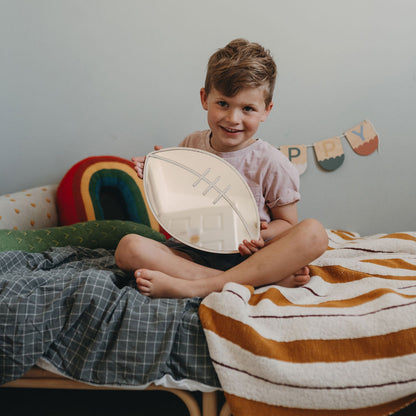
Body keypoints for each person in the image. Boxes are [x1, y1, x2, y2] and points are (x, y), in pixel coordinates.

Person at [115, 38, 328, 298]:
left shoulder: (272, 162)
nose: (232, 118)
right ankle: (247, 283)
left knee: (314, 233)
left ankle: (195, 286)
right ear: (205, 98)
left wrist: (262, 235)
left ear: (266, 111)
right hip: (191, 252)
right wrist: (155, 173)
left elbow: (287, 223)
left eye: (248, 108)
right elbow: (177, 202)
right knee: (128, 248)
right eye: (223, 104)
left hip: (248, 257)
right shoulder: (192, 144)